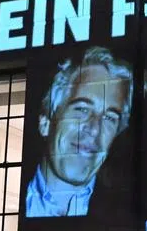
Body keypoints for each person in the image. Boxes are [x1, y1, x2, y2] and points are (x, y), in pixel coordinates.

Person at [25, 46, 135, 217]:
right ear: (46, 122)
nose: (94, 129)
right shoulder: (4, 194)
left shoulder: (126, 215)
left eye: (109, 118)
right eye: (82, 109)